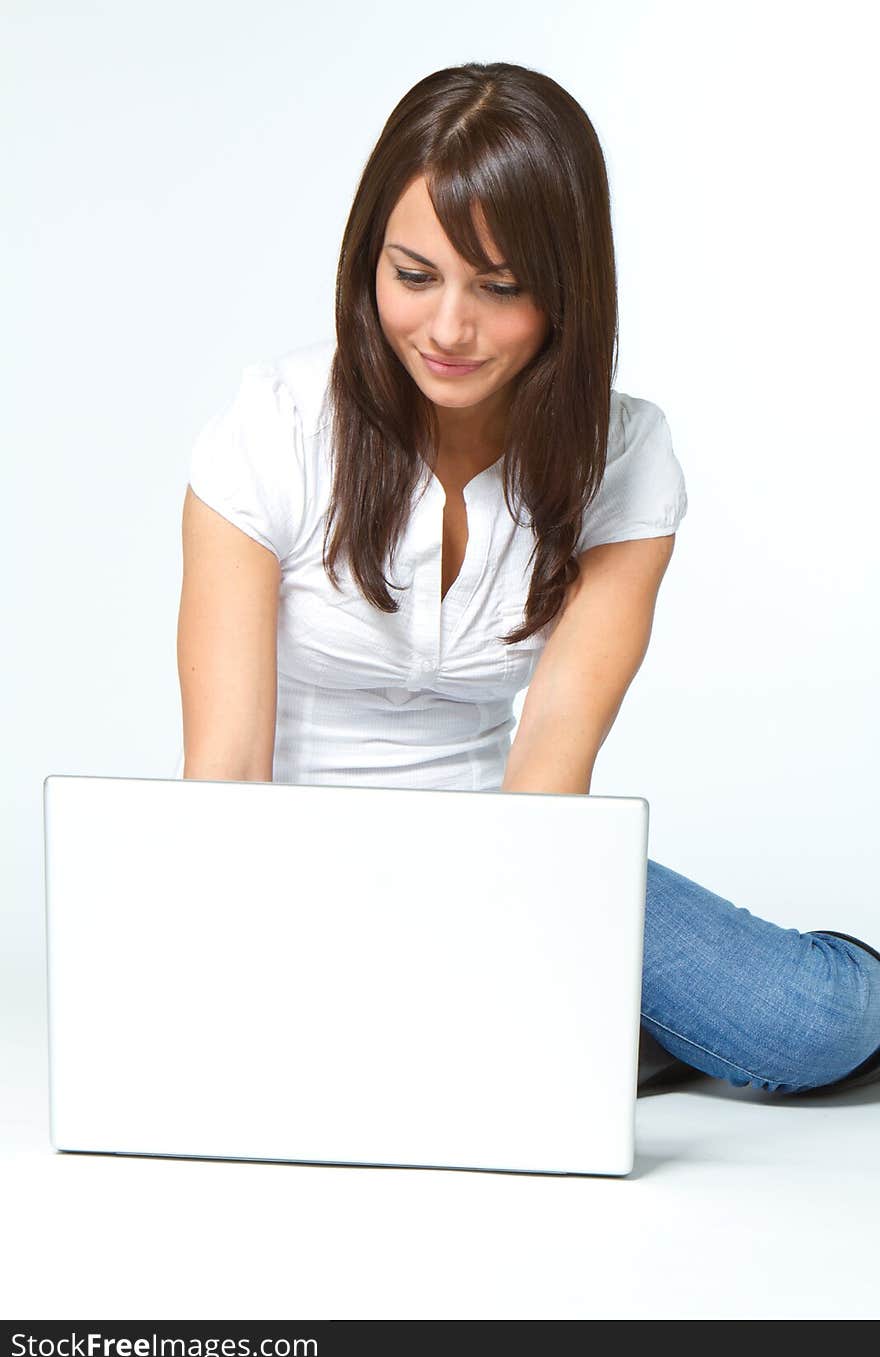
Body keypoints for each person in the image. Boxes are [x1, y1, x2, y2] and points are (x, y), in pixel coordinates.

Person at [176, 61, 880, 1099]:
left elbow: (551, 762)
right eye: (414, 275)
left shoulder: (624, 457)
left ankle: (603, 1018)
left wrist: (509, 944)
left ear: (566, 289)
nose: (449, 330)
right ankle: (604, 1029)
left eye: (499, 288)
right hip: (296, 865)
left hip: (508, 852)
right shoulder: (272, 432)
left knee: (812, 1026)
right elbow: (226, 771)